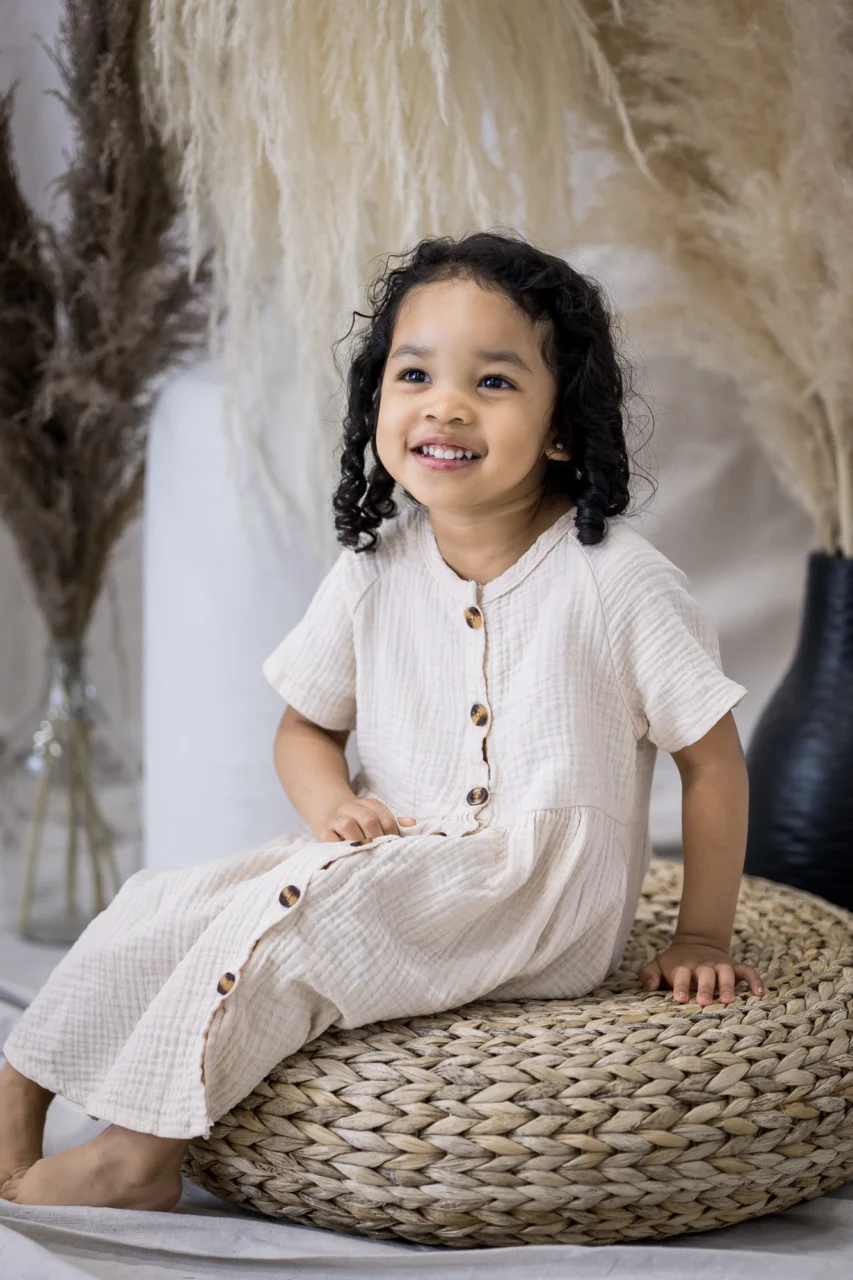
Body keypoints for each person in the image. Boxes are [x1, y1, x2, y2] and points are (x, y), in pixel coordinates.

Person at [0, 229, 763, 1211]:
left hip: (526, 899)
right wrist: (331, 804)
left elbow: (712, 759)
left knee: (310, 930)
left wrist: (701, 934)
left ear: (562, 425)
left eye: (493, 381)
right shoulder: (374, 568)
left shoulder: (617, 581)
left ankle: (137, 1150)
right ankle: (20, 1090)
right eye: (414, 373)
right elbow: (304, 728)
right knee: (164, 898)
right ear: (378, 405)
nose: (444, 403)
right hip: (382, 852)